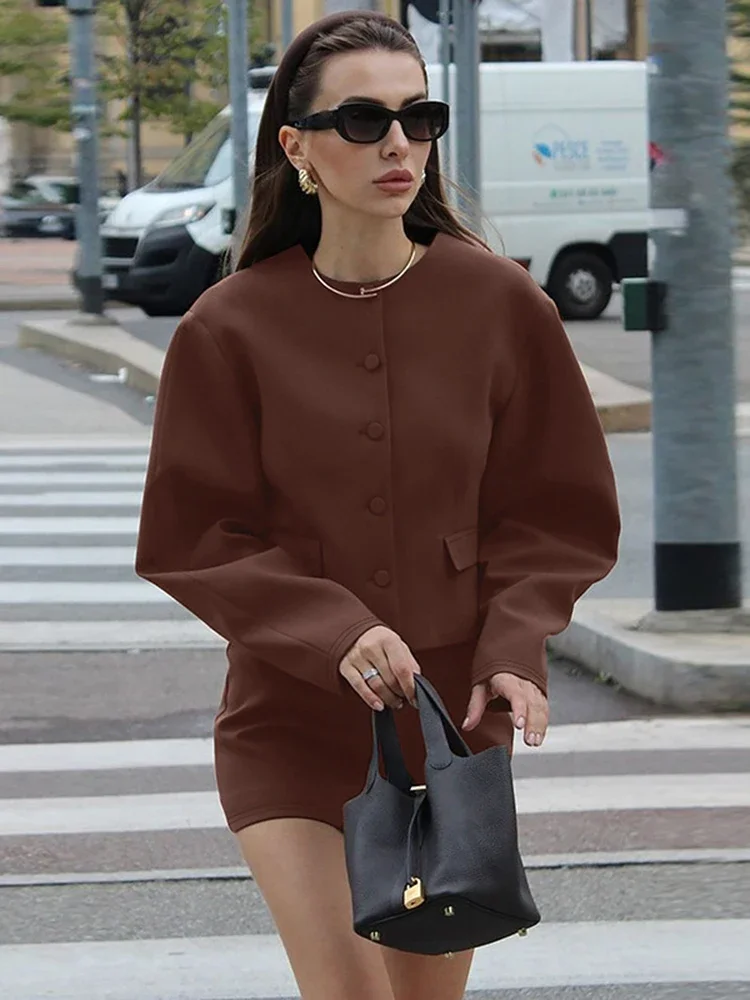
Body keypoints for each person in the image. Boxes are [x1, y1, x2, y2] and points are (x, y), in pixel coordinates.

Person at [135, 10, 620, 1000]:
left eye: (418, 117)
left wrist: (514, 646)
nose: (399, 143)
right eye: (363, 120)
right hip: (290, 720)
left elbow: (555, 513)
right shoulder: (227, 327)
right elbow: (194, 536)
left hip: (449, 723)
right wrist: (333, 628)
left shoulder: (503, 305)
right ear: (296, 146)